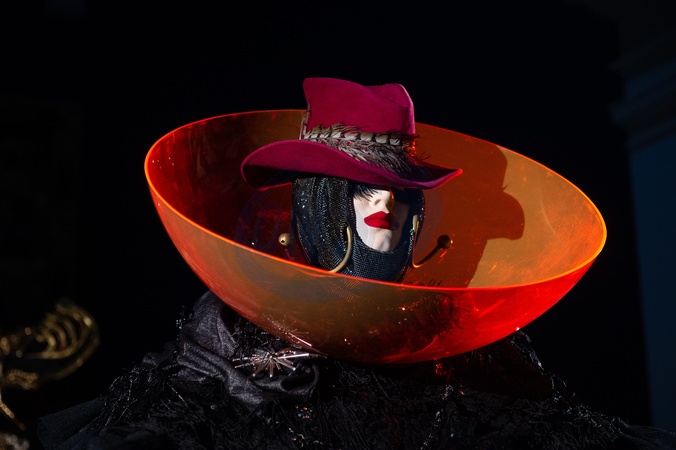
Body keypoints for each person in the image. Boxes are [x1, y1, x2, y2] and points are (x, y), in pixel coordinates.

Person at [38, 78, 676, 449]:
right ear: (318, 201)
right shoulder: (230, 343)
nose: (382, 203)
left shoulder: (460, 349)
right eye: (360, 188)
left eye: (398, 191)